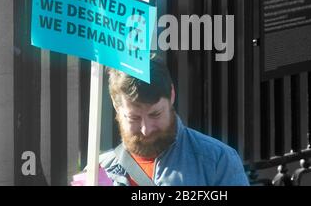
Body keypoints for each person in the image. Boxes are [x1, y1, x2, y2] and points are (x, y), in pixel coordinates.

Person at [98, 56, 250, 186]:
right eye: (134, 118)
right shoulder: (99, 170)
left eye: (155, 114)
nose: (146, 129)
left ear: (171, 94)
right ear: (116, 105)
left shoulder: (218, 161)